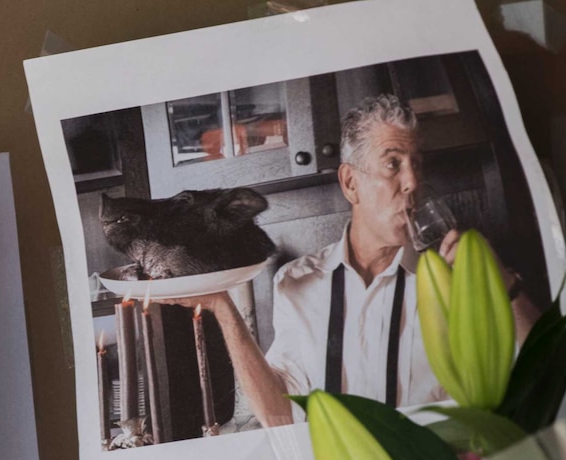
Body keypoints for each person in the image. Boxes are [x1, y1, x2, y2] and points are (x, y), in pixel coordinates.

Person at [174, 94, 539, 428]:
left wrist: (502, 283)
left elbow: (545, 369)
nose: (412, 181)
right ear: (350, 183)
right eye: (393, 164)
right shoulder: (296, 283)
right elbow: (280, 418)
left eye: (417, 165)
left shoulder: (453, 278)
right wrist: (222, 307)